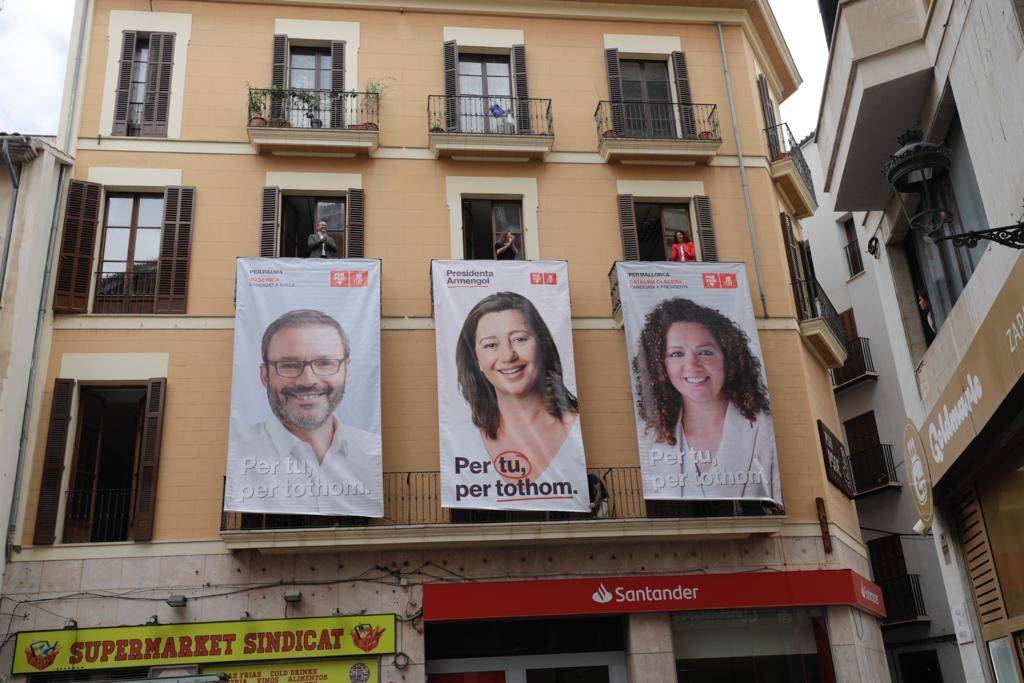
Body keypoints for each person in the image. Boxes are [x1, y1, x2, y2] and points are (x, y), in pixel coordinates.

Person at [232, 309, 381, 515]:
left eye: (325, 363)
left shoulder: (372, 451)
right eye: (290, 365)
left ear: (346, 369)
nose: (307, 380)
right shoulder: (237, 455)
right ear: (265, 375)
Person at [632, 297, 780, 502]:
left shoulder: (763, 428)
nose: (692, 365)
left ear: (728, 357)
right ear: (661, 366)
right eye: (676, 354)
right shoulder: (651, 436)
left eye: (705, 352)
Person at [454, 292, 581, 482]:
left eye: (519, 339)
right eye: (490, 345)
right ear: (476, 361)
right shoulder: (462, 440)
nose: (508, 356)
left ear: (542, 345)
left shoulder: (574, 427)